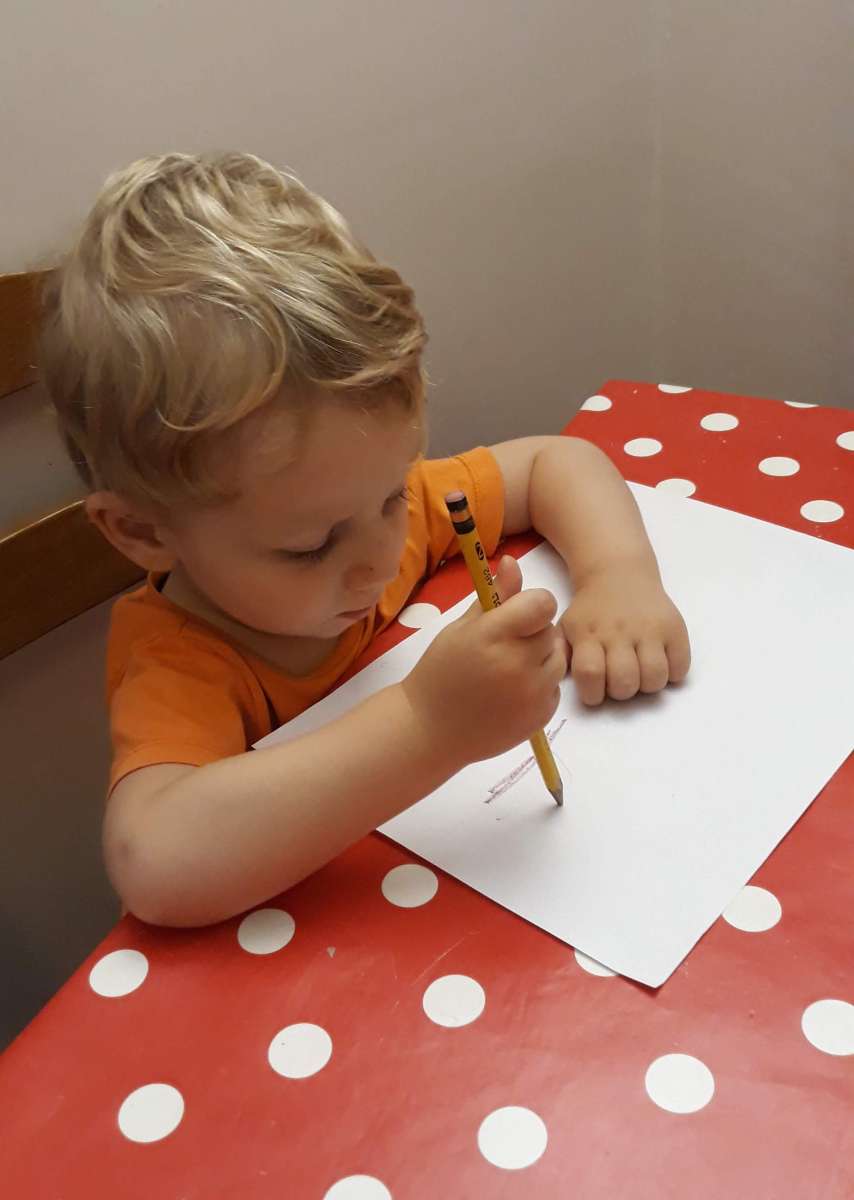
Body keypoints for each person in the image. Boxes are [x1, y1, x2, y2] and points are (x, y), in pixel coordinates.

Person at [41, 152, 690, 927]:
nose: (380, 556)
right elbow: (157, 865)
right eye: (310, 548)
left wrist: (619, 575)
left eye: (391, 493)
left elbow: (558, 461)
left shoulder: (368, 513)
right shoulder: (183, 660)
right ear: (143, 531)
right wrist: (427, 725)